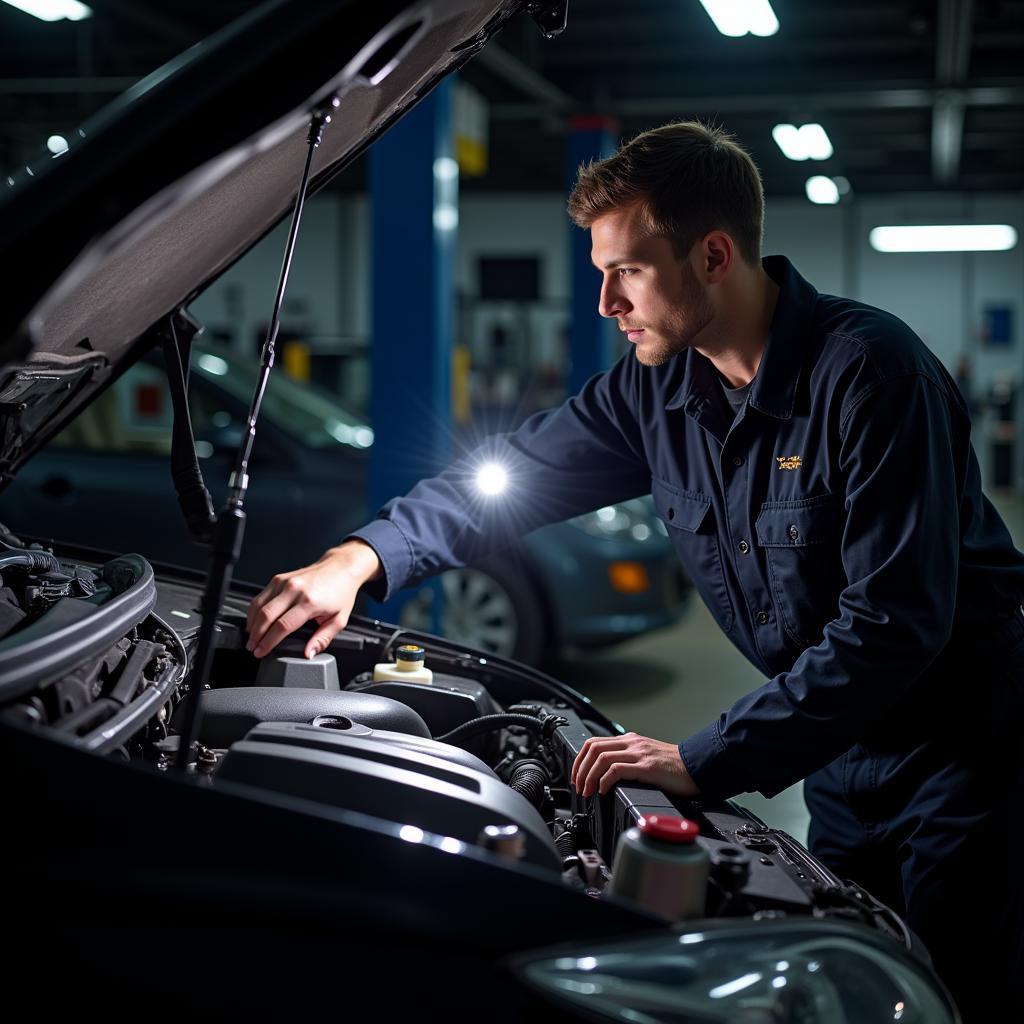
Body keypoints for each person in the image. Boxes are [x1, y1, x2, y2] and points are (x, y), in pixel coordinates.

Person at [246, 121, 1024, 1019]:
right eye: (601, 273)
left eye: (628, 271)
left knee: (953, 990)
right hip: (837, 749)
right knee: (844, 981)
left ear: (713, 255)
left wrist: (704, 758)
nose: (606, 300)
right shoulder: (654, 390)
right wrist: (363, 555)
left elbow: (895, 623)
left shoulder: (870, 375)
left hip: (962, 745)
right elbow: (512, 479)